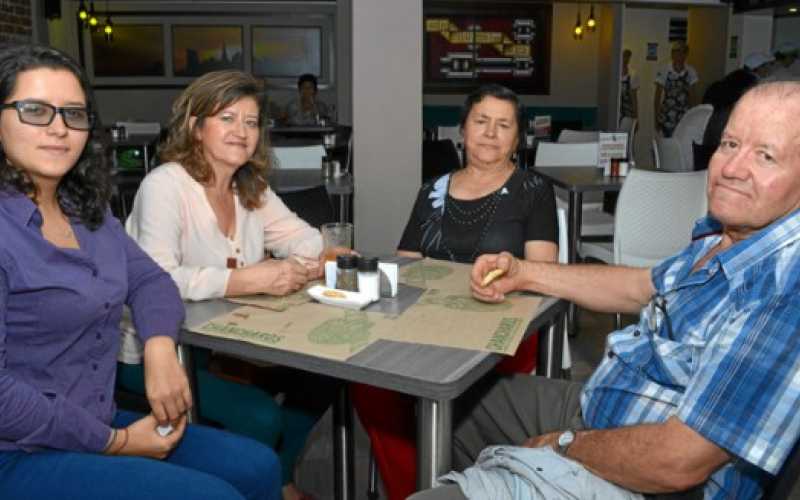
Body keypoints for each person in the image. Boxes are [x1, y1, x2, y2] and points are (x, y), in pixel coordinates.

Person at [411, 81, 800, 500]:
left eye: (765, 155)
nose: (732, 168)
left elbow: (679, 462)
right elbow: (638, 286)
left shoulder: (784, 289)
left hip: (648, 479)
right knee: (447, 401)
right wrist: (524, 272)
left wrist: (563, 445)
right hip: (603, 407)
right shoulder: (721, 238)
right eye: (730, 144)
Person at [0, 44, 279, 500]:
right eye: (35, 110)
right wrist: (116, 443)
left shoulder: (85, 213)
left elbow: (151, 281)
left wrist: (159, 348)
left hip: (92, 418)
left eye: (73, 113)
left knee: (259, 466)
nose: (58, 128)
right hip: (19, 449)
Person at [124, 70, 330, 500]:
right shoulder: (164, 185)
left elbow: (308, 239)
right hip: (148, 353)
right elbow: (157, 279)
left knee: (323, 389)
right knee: (261, 417)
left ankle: (278, 480)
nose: (242, 131)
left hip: (227, 343)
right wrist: (246, 278)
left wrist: (290, 267)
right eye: (227, 118)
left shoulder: (250, 187)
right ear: (196, 126)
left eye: (251, 122)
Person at [350, 84, 558, 500]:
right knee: (370, 386)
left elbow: (543, 273)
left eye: (504, 125)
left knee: (458, 393)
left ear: (518, 138)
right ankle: (413, 488)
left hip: (502, 329)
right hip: (428, 322)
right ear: (462, 130)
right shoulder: (432, 190)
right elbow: (406, 265)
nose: (490, 133)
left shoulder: (534, 190)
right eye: (481, 121)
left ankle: (467, 481)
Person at [654, 40, 699, 137]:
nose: (679, 55)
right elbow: (657, 96)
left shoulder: (691, 71)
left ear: (686, 54)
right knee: (668, 142)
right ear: (672, 54)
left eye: (682, 52)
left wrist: (693, 117)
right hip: (667, 116)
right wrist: (656, 118)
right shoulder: (664, 70)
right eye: (676, 52)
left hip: (684, 116)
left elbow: (693, 97)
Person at [620, 49, 639, 121]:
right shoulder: (614, 72)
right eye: (624, 56)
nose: (625, 59)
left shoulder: (633, 74)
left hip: (628, 112)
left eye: (627, 57)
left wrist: (636, 117)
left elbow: (634, 97)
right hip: (615, 111)